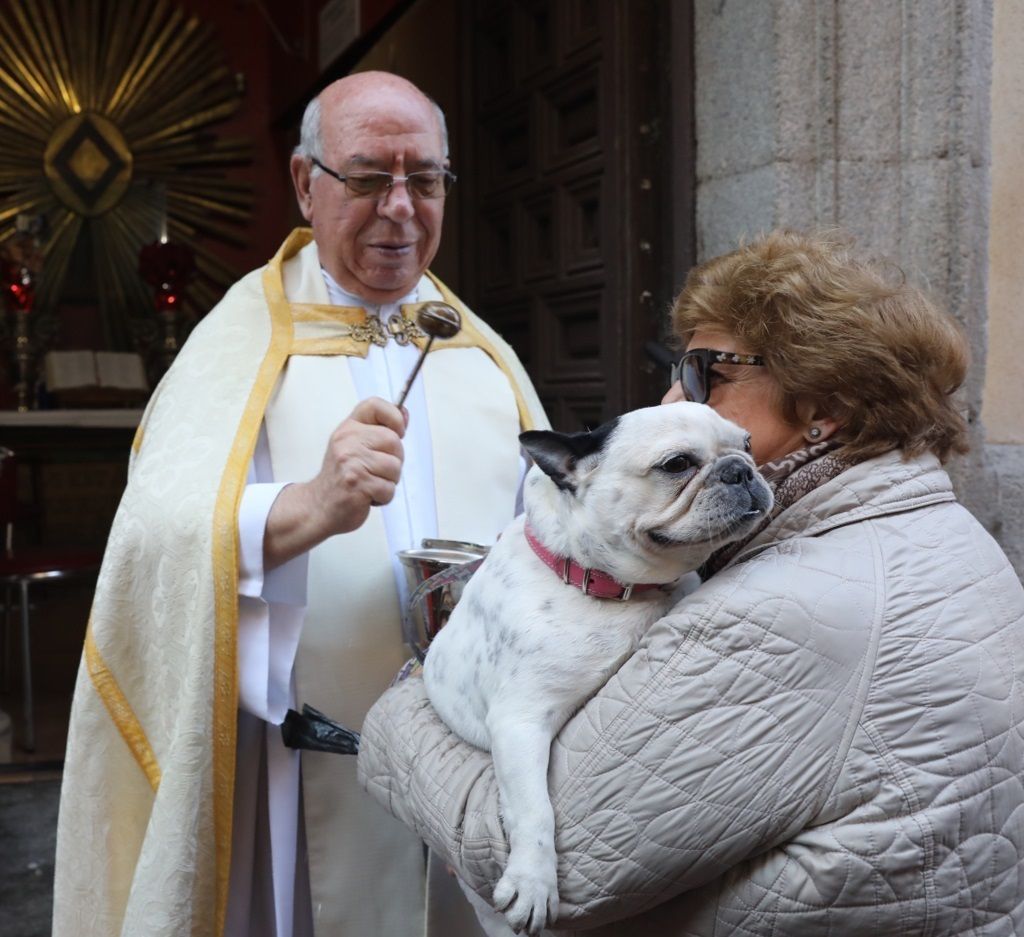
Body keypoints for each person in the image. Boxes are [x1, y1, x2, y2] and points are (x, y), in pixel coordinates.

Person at [356, 229, 1024, 935]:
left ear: (826, 407)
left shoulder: (785, 612)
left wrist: (400, 710)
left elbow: (563, 866)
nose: (676, 393)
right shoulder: (947, 534)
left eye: (708, 372)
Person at [52, 72, 547, 937]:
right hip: (295, 762)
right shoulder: (239, 344)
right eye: (367, 178)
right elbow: (156, 539)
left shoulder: (485, 354)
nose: (401, 207)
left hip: (470, 752)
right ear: (303, 183)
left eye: (425, 180)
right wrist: (307, 506)